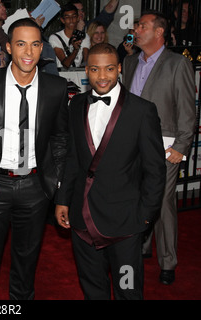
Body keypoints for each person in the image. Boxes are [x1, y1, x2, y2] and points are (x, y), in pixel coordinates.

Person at [55, 43, 166, 299]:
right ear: (87, 71)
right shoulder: (77, 105)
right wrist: (63, 200)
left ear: (119, 69)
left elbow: (155, 170)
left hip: (126, 225)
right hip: (82, 219)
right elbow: (73, 158)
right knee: (93, 290)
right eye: (94, 69)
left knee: (127, 291)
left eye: (108, 69)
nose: (102, 76)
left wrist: (145, 218)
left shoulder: (142, 111)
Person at [0, 18, 69, 300]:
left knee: (27, 261)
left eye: (35, 44)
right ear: (8, 48)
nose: (28, 52)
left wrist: (56, 184)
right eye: (21, 44)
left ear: (42, 48)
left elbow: (61, 137)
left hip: (34, 187)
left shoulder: (56, 87)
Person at [123, 11, 196, 286]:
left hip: (166, 147)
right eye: (137, 25)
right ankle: (142, 245)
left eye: (142, 25)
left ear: (158, 32)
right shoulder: (130, 62)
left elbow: (188, 110)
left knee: (163, 202)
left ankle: (168, 262)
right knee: (136, 196)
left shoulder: (178, 64)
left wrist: (182, 145)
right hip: (132, 144)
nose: (136, 29)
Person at [49, 3, 90, 69]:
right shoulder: (55, 38)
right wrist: (75, 49)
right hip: (61, 75)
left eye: (73, 16)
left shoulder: (84, 36)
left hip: (78, 75)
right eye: (67, 17)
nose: (71, 20)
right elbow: (66, 64)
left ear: (78, 18)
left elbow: (86, 61)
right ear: (62, 20)